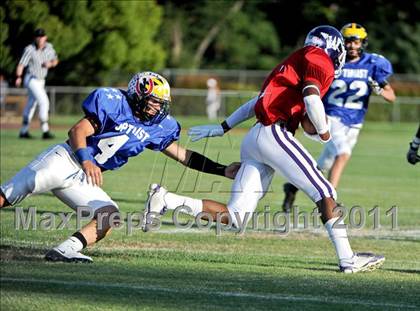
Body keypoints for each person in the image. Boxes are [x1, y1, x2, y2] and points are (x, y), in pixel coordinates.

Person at [143, 26, 385, 273]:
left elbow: (256, 102)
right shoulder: (318, 58)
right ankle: (348, 260)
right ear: (333, 47)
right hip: (274, 132)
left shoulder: (293, 63)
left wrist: (224, 126)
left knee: (235, 217)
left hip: (256, 137)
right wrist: (324, 132)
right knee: (325, 191)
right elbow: (312, 97)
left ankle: (166, 199)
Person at [0, 71, 239, 263]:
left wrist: (222, 170)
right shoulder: (114, 102)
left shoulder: (157, 128)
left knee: (109, 215)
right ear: (139, 94)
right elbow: (78, 131)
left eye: (161, 103)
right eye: (155, 101)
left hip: (84, 178)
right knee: (12, 192)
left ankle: (65, 250)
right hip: (66, 160)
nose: (158, 108)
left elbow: (184, 156)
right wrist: (86, 160)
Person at [282, 23, 396, 211]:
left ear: (363, 42)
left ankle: (292, 187)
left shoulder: (373, 64)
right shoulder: (332, 60)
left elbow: (391, 96)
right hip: (331, 117)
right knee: (343, 155)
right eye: (348, 41)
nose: (352, 46)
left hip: (355, 123)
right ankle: (330, 201)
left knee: (324, 165)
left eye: (356, 41)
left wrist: (379, 90)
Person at [15, 28, 59, 139]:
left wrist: (51, 64)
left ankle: (23, 131)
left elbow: (55, 60)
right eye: (38, 36)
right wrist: (18, 77)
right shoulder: (30, 49)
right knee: (44, 101)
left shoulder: (49, 47)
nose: (40, 38)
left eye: (42, 36)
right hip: (31, 79)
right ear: (35, 38)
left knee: (31, 104)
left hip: (41, 81)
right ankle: (45, 130)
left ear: (45, 37)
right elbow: (21, 64)